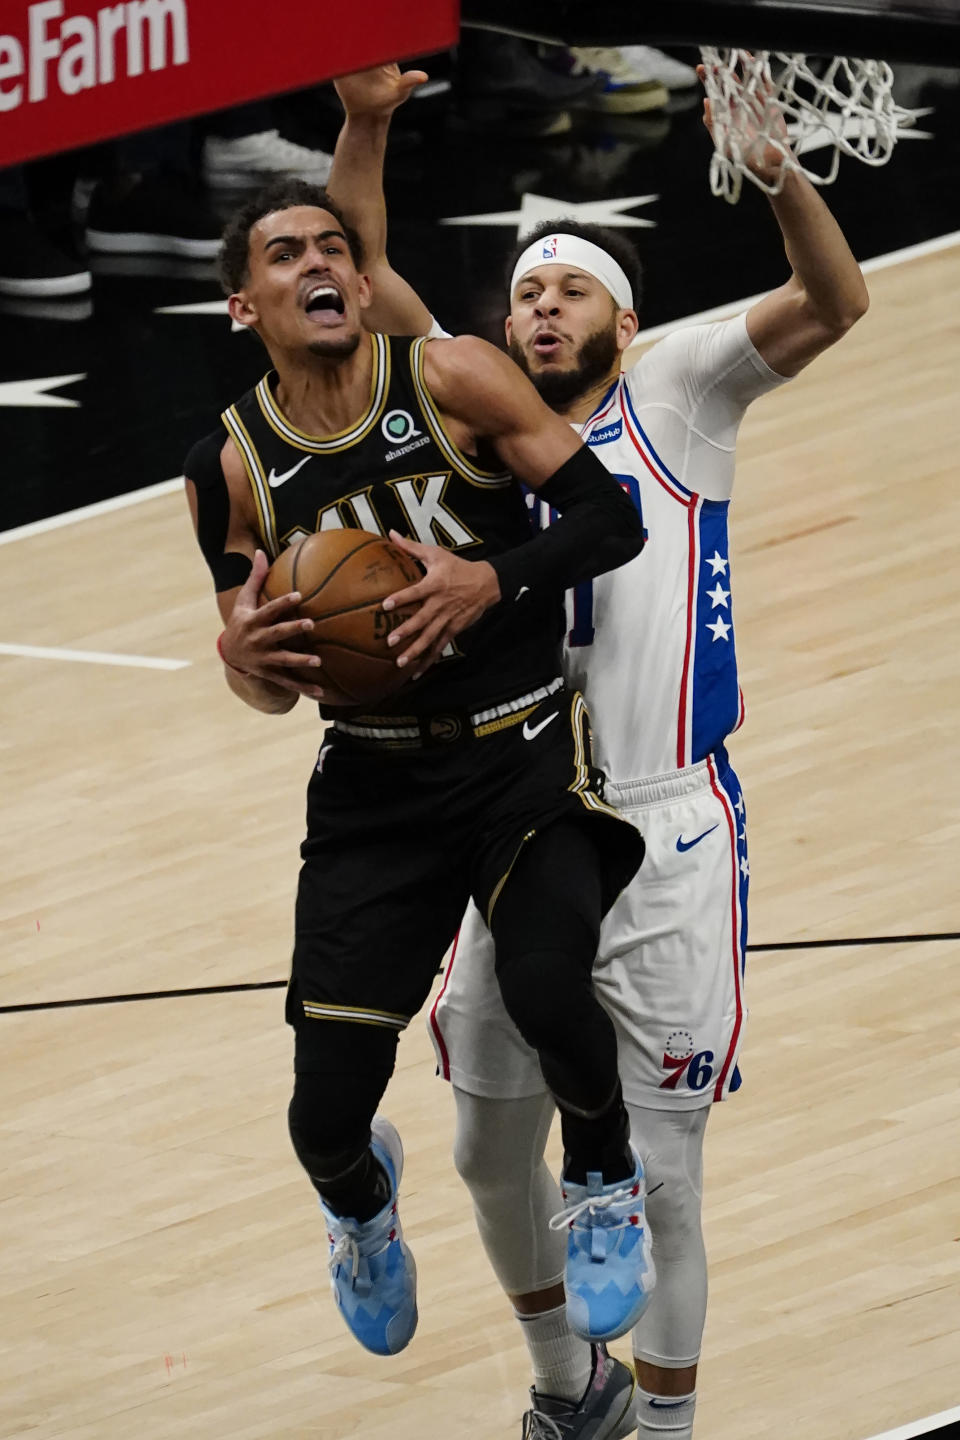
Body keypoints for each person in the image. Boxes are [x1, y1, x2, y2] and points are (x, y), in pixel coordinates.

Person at [328, 61, 869, 1437]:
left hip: (666, 821)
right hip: (514, 817)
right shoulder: (475, 416)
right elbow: (365, 266)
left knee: (667, 1173)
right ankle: (573, 1396)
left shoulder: (678, 389)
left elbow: (835, 303)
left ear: (626, 320)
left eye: (570, 291)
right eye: (524, 294)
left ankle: (671, 1434)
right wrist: (367, 122)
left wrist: (775, 175)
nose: (541, 307)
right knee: (482, 1143)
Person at [182, 169, 657, 1377]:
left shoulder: (451, 379)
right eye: (286, 254)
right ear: (247, 305)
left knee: (553, 993)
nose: (321, 265)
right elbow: (266, 679)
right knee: (321, 1115)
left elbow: (611, 521)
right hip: (373, 789)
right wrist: (241, 657)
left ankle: (603, 1177)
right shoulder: (231, 466)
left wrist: (490, 579)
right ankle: (360, 1204)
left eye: (334, 245)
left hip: (519, 748)